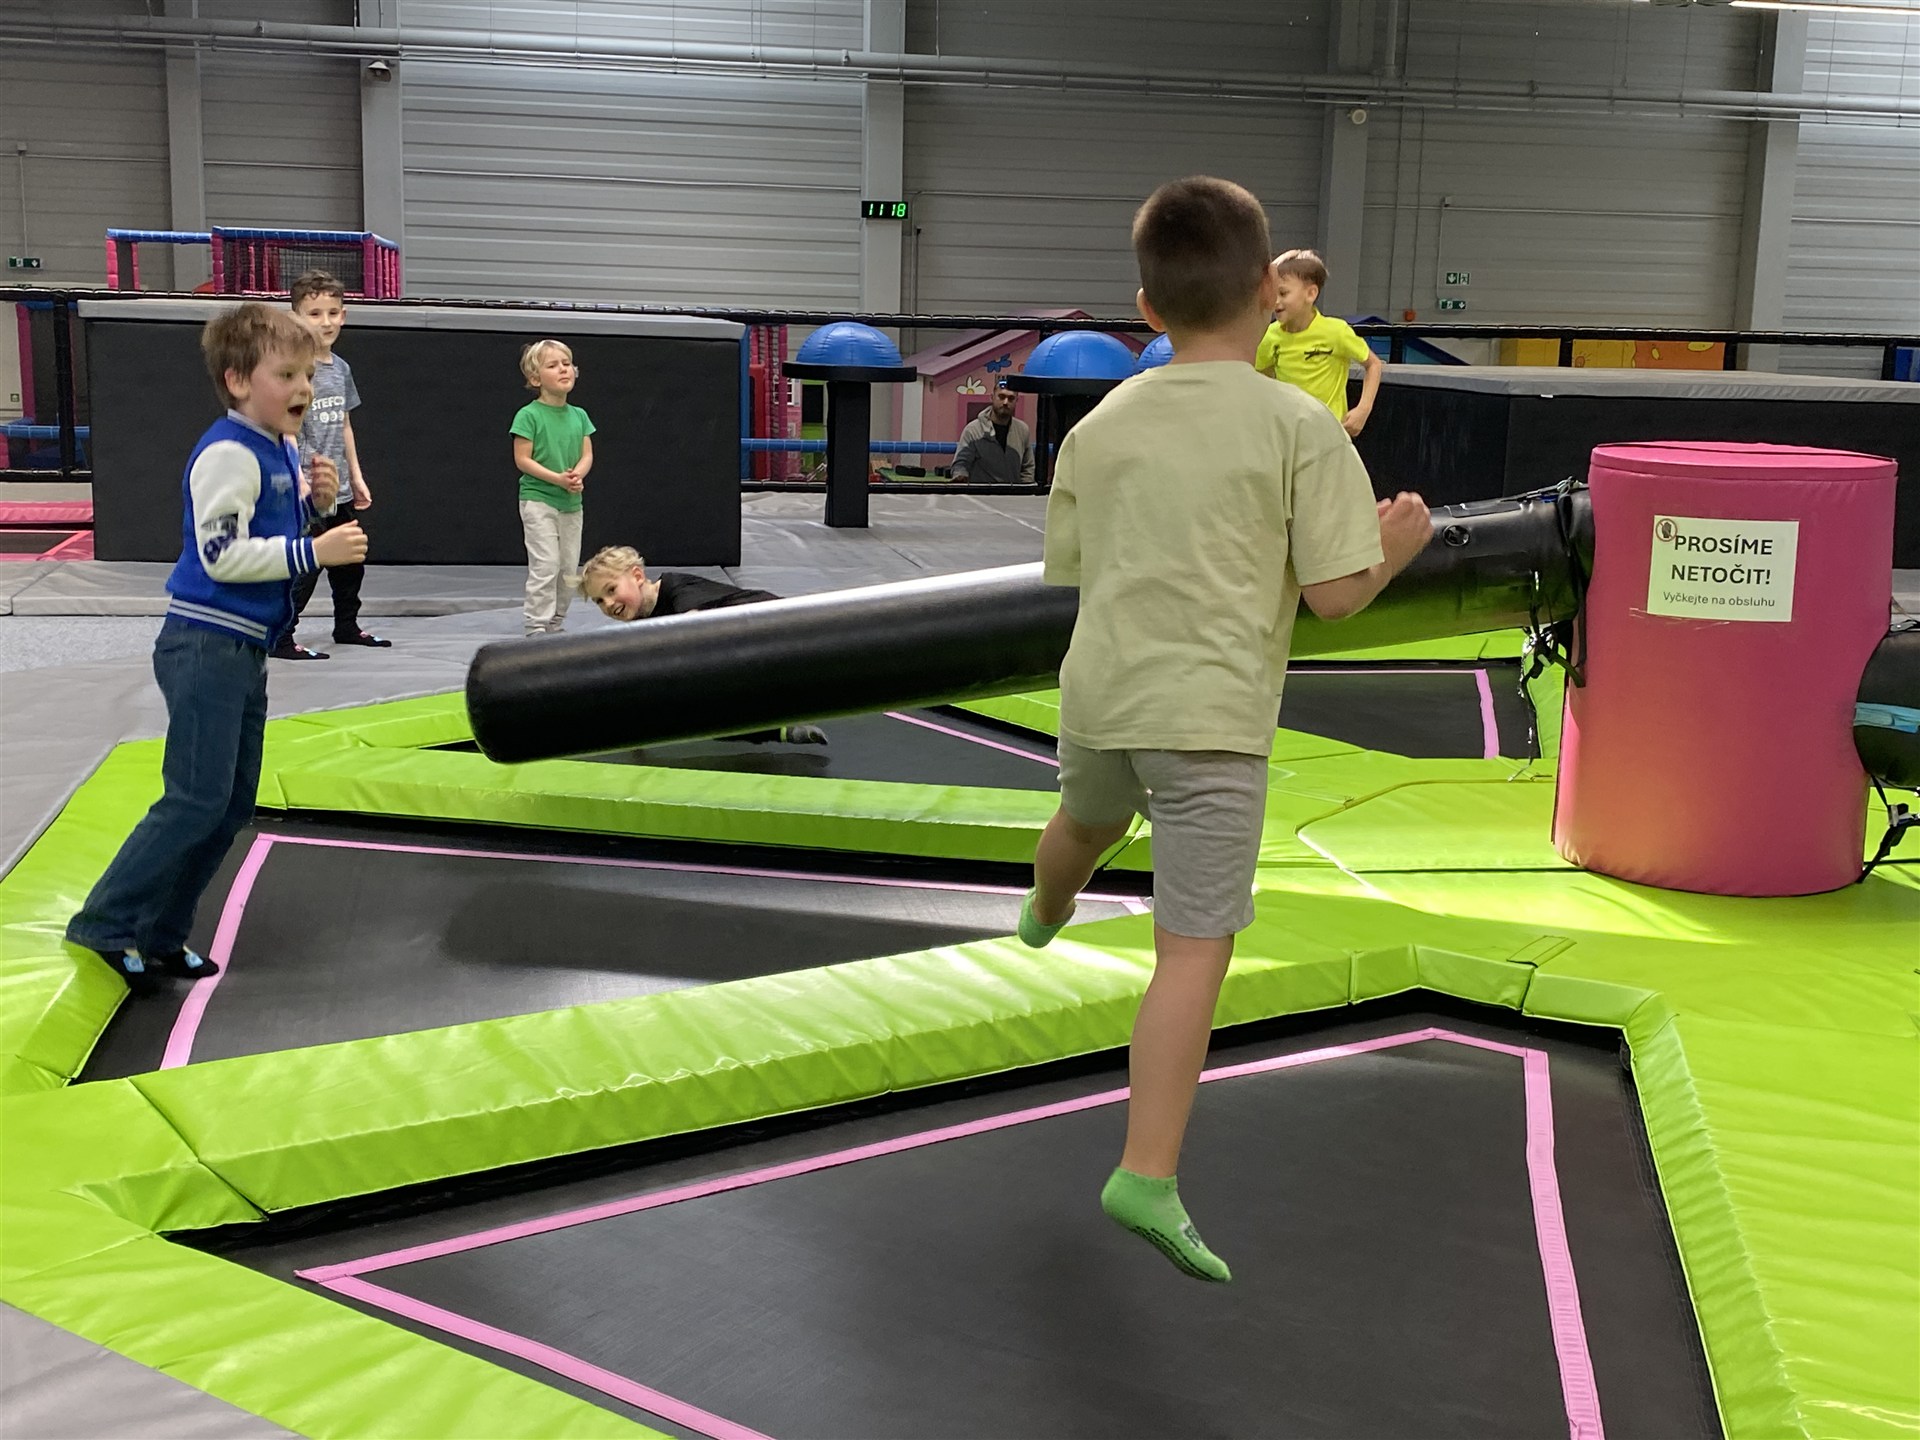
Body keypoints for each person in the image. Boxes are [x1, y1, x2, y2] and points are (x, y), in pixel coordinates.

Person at [1023, 177, 1432, 1283]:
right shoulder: (1300, 425)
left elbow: (1075, 569)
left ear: (1146, 309)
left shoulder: (1100, 424)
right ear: (1267, 291)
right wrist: (1399, 545)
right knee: (1193, 951)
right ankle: (1145, 1172)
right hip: (1211, 723)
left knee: (1085, 818)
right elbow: (1337, 596)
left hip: (1101, 694)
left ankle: (1046, 908)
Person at [65, 303, 367, 993]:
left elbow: (269, 526)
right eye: (286, 375)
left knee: (229, 806)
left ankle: (162, 933)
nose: (303, 388)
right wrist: (314, 549)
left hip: (242, 649)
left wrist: (317, 506)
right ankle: (104, 922)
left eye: (308, 375)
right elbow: (222, 554)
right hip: (204, 643)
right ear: (236, 381)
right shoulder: (229, 452)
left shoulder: (279, 446)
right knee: (194, 800)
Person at [580, 545, 827, 745]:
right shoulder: (642, 624)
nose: (608, 603)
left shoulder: (676, 588)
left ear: (637, 576)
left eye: (611, 590)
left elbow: (692, 630)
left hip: (784, 632)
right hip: (748, 661)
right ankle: (780, 730)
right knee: (684, 709)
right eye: (599, 601)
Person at [279, 269, 388, 658]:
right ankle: (281, 635)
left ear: (343, 315)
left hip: (338, 488)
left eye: (332, 313)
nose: (325, 322)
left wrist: (355, 476)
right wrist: (299, 480)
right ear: (296, 317)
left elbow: (344, 424)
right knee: (306, 566)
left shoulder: (340, 369)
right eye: (314, 314)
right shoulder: (294, 368)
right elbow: (285, 429)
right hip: (308, 489)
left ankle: (347, 626)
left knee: (350, 562)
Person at [1255, 249, 1383, 438]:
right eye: (1274, 294)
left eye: (1283, 293)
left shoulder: (1336, 331)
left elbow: (1373, 364)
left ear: (1311, 293)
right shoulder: (1271, 335)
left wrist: (1363, 409)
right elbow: (1260, 374)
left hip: (1330, 434)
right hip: (1289, 434)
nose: (1276, 302)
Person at [512, 339, 593, 636]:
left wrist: (576, 476)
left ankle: (556, 623)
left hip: (571, 504)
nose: (563, 369)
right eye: (553, 365)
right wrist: (557, 478)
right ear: (535, 379)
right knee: (546, 564)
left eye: (566, 363)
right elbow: (523, 459)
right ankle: (536, 625)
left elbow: (587, 455)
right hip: (539, 501)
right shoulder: (529, 415)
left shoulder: (579, 415)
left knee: (568, 568)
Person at [949, 379, 1035, 485]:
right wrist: (960, 476)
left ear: (1016, 401)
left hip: (1013, 494)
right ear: (992, 397)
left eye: (1011, 398)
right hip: (982, 494)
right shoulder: (973, 430)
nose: (1005, 402)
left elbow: (1028, 468)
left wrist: (1026, 490)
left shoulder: (1023, 430)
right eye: (1001, 397)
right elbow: (961, 463)